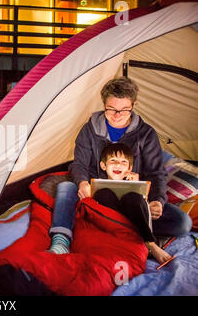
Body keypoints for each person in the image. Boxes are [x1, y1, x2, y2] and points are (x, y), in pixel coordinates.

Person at [47, 76, 192, 256]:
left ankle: (125, 230)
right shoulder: (89, 130)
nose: (117, 115)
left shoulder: (146, 134)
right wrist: (83, 183)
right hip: (98, 199)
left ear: (133, 104)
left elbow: (156, 173)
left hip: (133, 202)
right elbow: (79, 164)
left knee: (182, 223)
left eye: (124, 110)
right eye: (112, 109)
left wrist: (157, 201)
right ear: (103, 104)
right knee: (65, 187)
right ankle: (61, 241)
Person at [92, 143, 172, 263]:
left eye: (124, 162)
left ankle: (150, 243)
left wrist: (137, 188)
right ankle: (119, 243)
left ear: (129, 168)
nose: (118, 164)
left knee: (134, 198)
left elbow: (144, 210)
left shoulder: (136, 185)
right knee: (103, 194)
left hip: (136, 227)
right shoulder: (99, 187)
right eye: (113, 160)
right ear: (103, 165)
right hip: (112, 229)